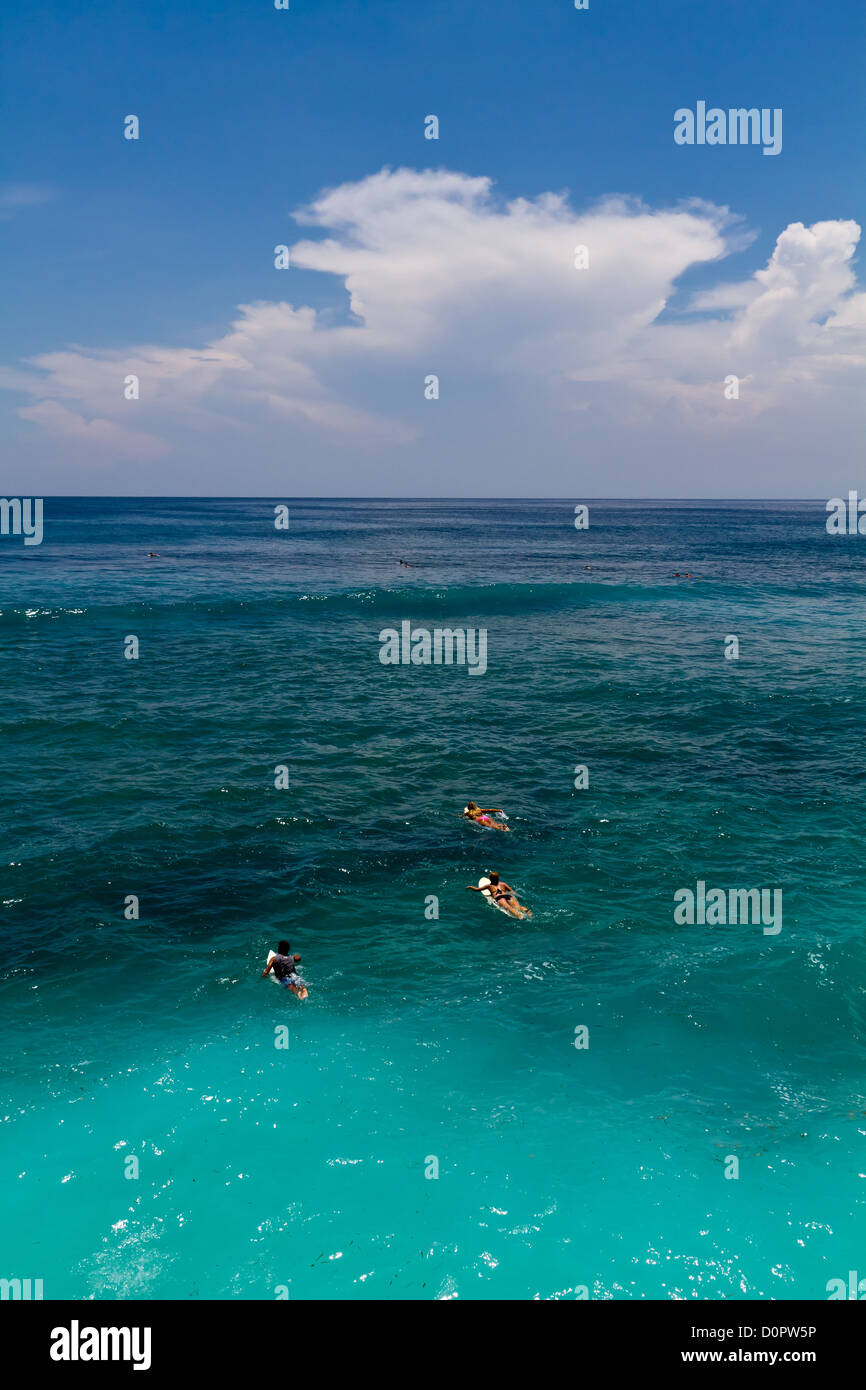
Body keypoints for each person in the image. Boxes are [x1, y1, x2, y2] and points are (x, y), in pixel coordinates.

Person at [466, 872, 531, 919]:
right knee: (518, 907)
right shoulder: (503, 884)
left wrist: (470, 887)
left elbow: (477, 889)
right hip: (508, 896)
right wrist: (519, 896)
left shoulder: (489, 886)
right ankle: (529, 914)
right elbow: (512, 891)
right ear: (498, 878)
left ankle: (518, 916)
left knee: (508, 907)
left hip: (499, 898)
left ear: (490, 879)